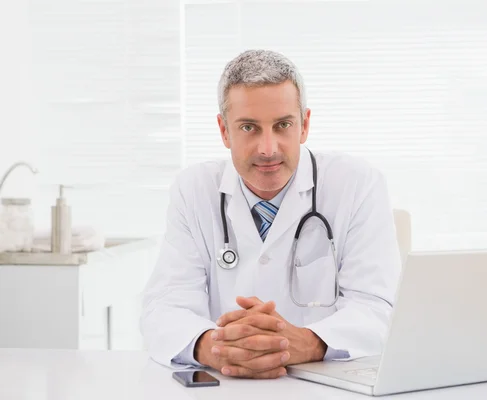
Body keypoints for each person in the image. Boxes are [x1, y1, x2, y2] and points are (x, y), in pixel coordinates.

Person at [140, 49, 402, 379]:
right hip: (228, 385)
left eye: (282, 125)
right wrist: (218, 346)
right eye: (249, 127)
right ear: (224, 131)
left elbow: (380, 309)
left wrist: (309, 343)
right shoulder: (193, 190)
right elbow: (163, 307)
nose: (268, 148)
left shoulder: (357, 184)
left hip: (327, 386)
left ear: (304, 125)